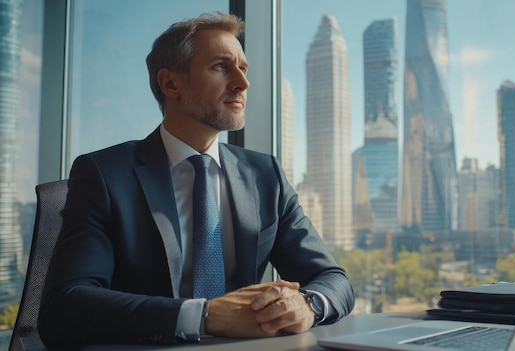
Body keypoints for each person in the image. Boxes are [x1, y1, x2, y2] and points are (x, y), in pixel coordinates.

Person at [38, 12, 354, 350]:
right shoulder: (104, 175)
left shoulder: (266, 175)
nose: (242, 83)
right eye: (221, 66)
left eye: (243, 69)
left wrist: (308, 305)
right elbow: (66, 306)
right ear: (171, 83)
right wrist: (205, 316)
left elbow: (335, 280)